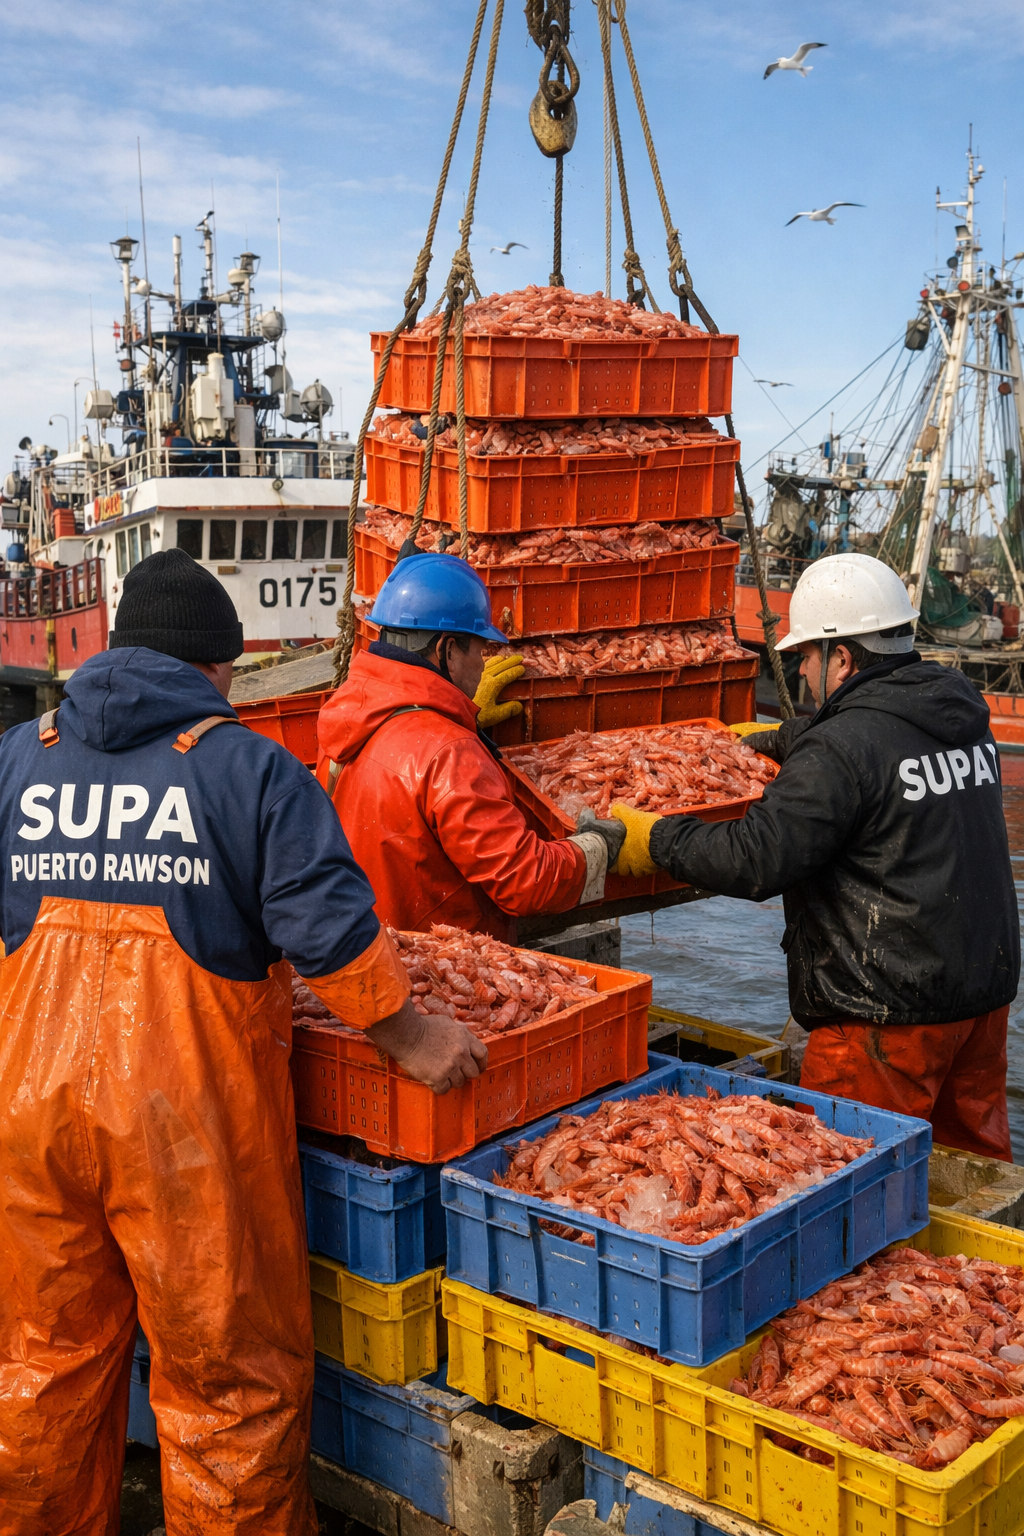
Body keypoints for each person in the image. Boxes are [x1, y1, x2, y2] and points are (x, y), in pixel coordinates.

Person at [0, 548, 486, 1535]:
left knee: (39, 1367)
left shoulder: (17, 757)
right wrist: (408, 1032)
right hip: (186, 1138)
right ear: (216, 671)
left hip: (27, 1123)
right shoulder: (248, 768)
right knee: (229, 1390)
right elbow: (328, 926)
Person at [610, 553, 1019, 1159]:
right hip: (981, 1004)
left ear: (843, 657)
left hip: (883, 1019)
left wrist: (656, 840)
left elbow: (756, 857)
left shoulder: (844, 748)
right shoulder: (955, 709)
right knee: (973, 1177)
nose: (799, 671)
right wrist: (777, 739)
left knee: (846, 1179)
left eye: (805, 656)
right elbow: (876, 735)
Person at [317, 552, 625, 938]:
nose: (483, 664)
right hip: (440, 967)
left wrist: (464, 717)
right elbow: (524, 881)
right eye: (479, 651)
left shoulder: (347, 712)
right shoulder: (450, 753)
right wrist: (596, 848)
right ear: (447, 650)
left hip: (370, 946)